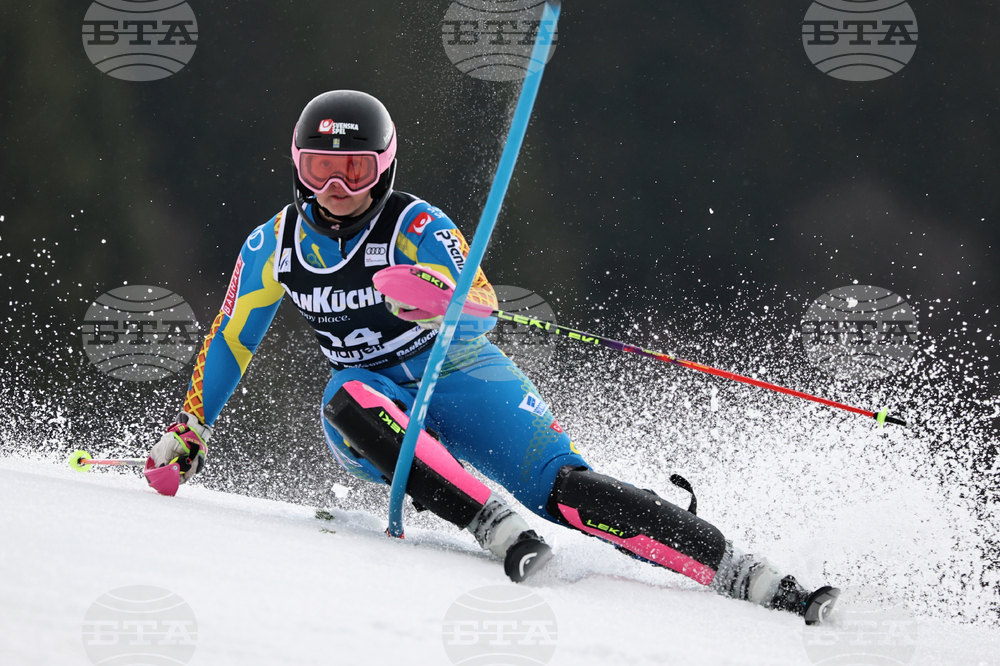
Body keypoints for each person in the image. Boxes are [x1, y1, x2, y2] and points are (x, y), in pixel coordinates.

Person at [149, 90, 840, 622]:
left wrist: (433, 297)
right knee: (346, 398)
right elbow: (231, 337)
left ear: (383, 168)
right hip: (369, 401)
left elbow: (479, 303)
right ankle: (493, 526)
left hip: (455, 372)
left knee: (570, 493)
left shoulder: (415, 225)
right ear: (297, 168)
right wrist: (191, 428)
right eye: (321, 170)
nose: (336, 189)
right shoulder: (273, 246)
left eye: (354, 171)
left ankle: (755, 578)